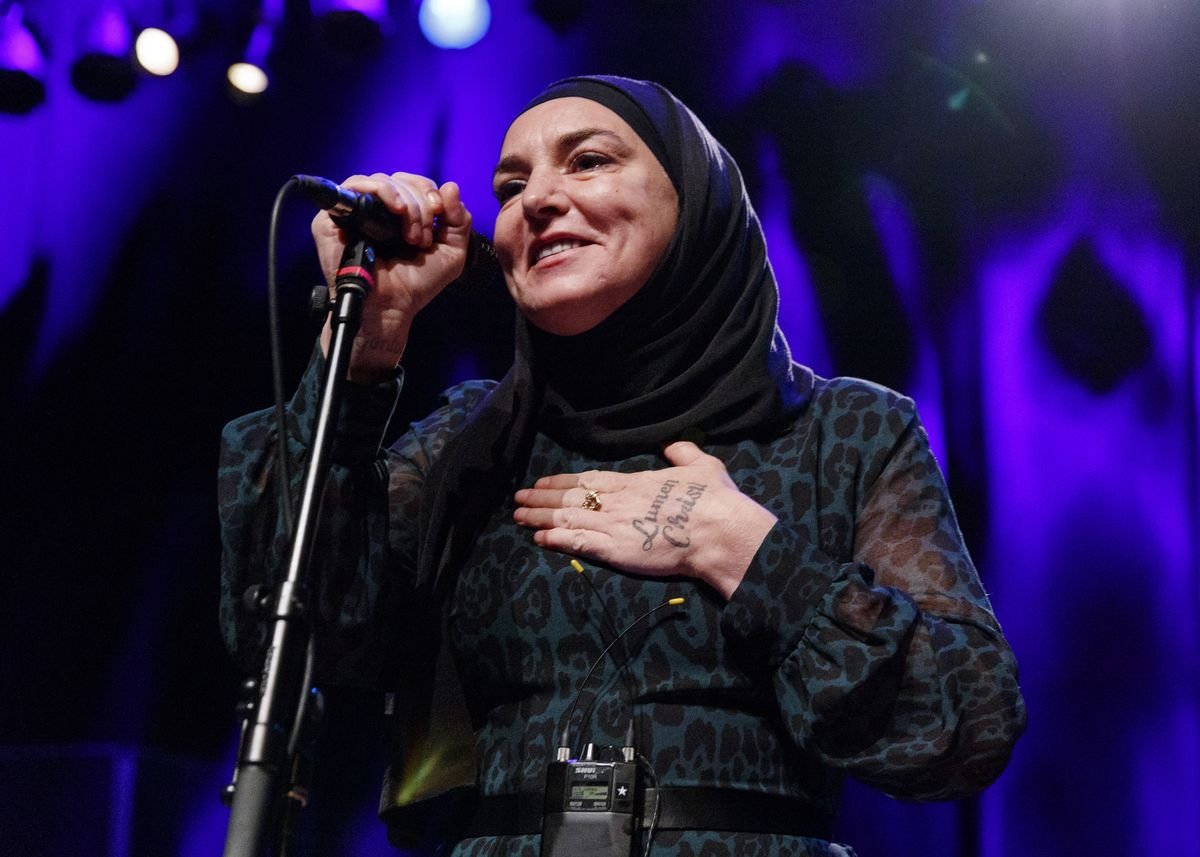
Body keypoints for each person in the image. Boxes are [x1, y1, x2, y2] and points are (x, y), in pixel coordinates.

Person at [219, 75, 1026, 857]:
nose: (533, 199)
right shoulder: (473, 437)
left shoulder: (840, 431)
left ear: (694, 199)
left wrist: (748, 553)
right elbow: (286, 631)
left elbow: (965, 722)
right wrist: (361, 350)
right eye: (509, 184)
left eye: (589, 160)